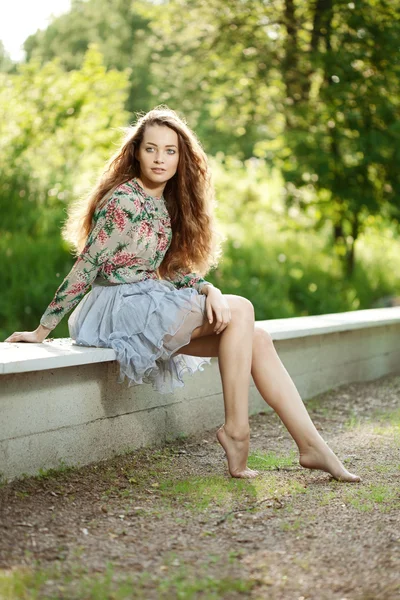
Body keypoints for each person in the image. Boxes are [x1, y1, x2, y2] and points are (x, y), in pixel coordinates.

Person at [5, 106, 360, 482]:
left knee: (256, 337)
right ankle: (237, 431)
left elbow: (169, 271)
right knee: (242, 311)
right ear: (136, 153)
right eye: (151, 149)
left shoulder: (162, 203)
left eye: (170, 151)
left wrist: (209, 287)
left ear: (181, 157)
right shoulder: (123, 200)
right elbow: (86, 266)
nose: (160, 159)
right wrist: (42, 330)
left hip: (146, 298)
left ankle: (311, 446)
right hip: (117, 307)